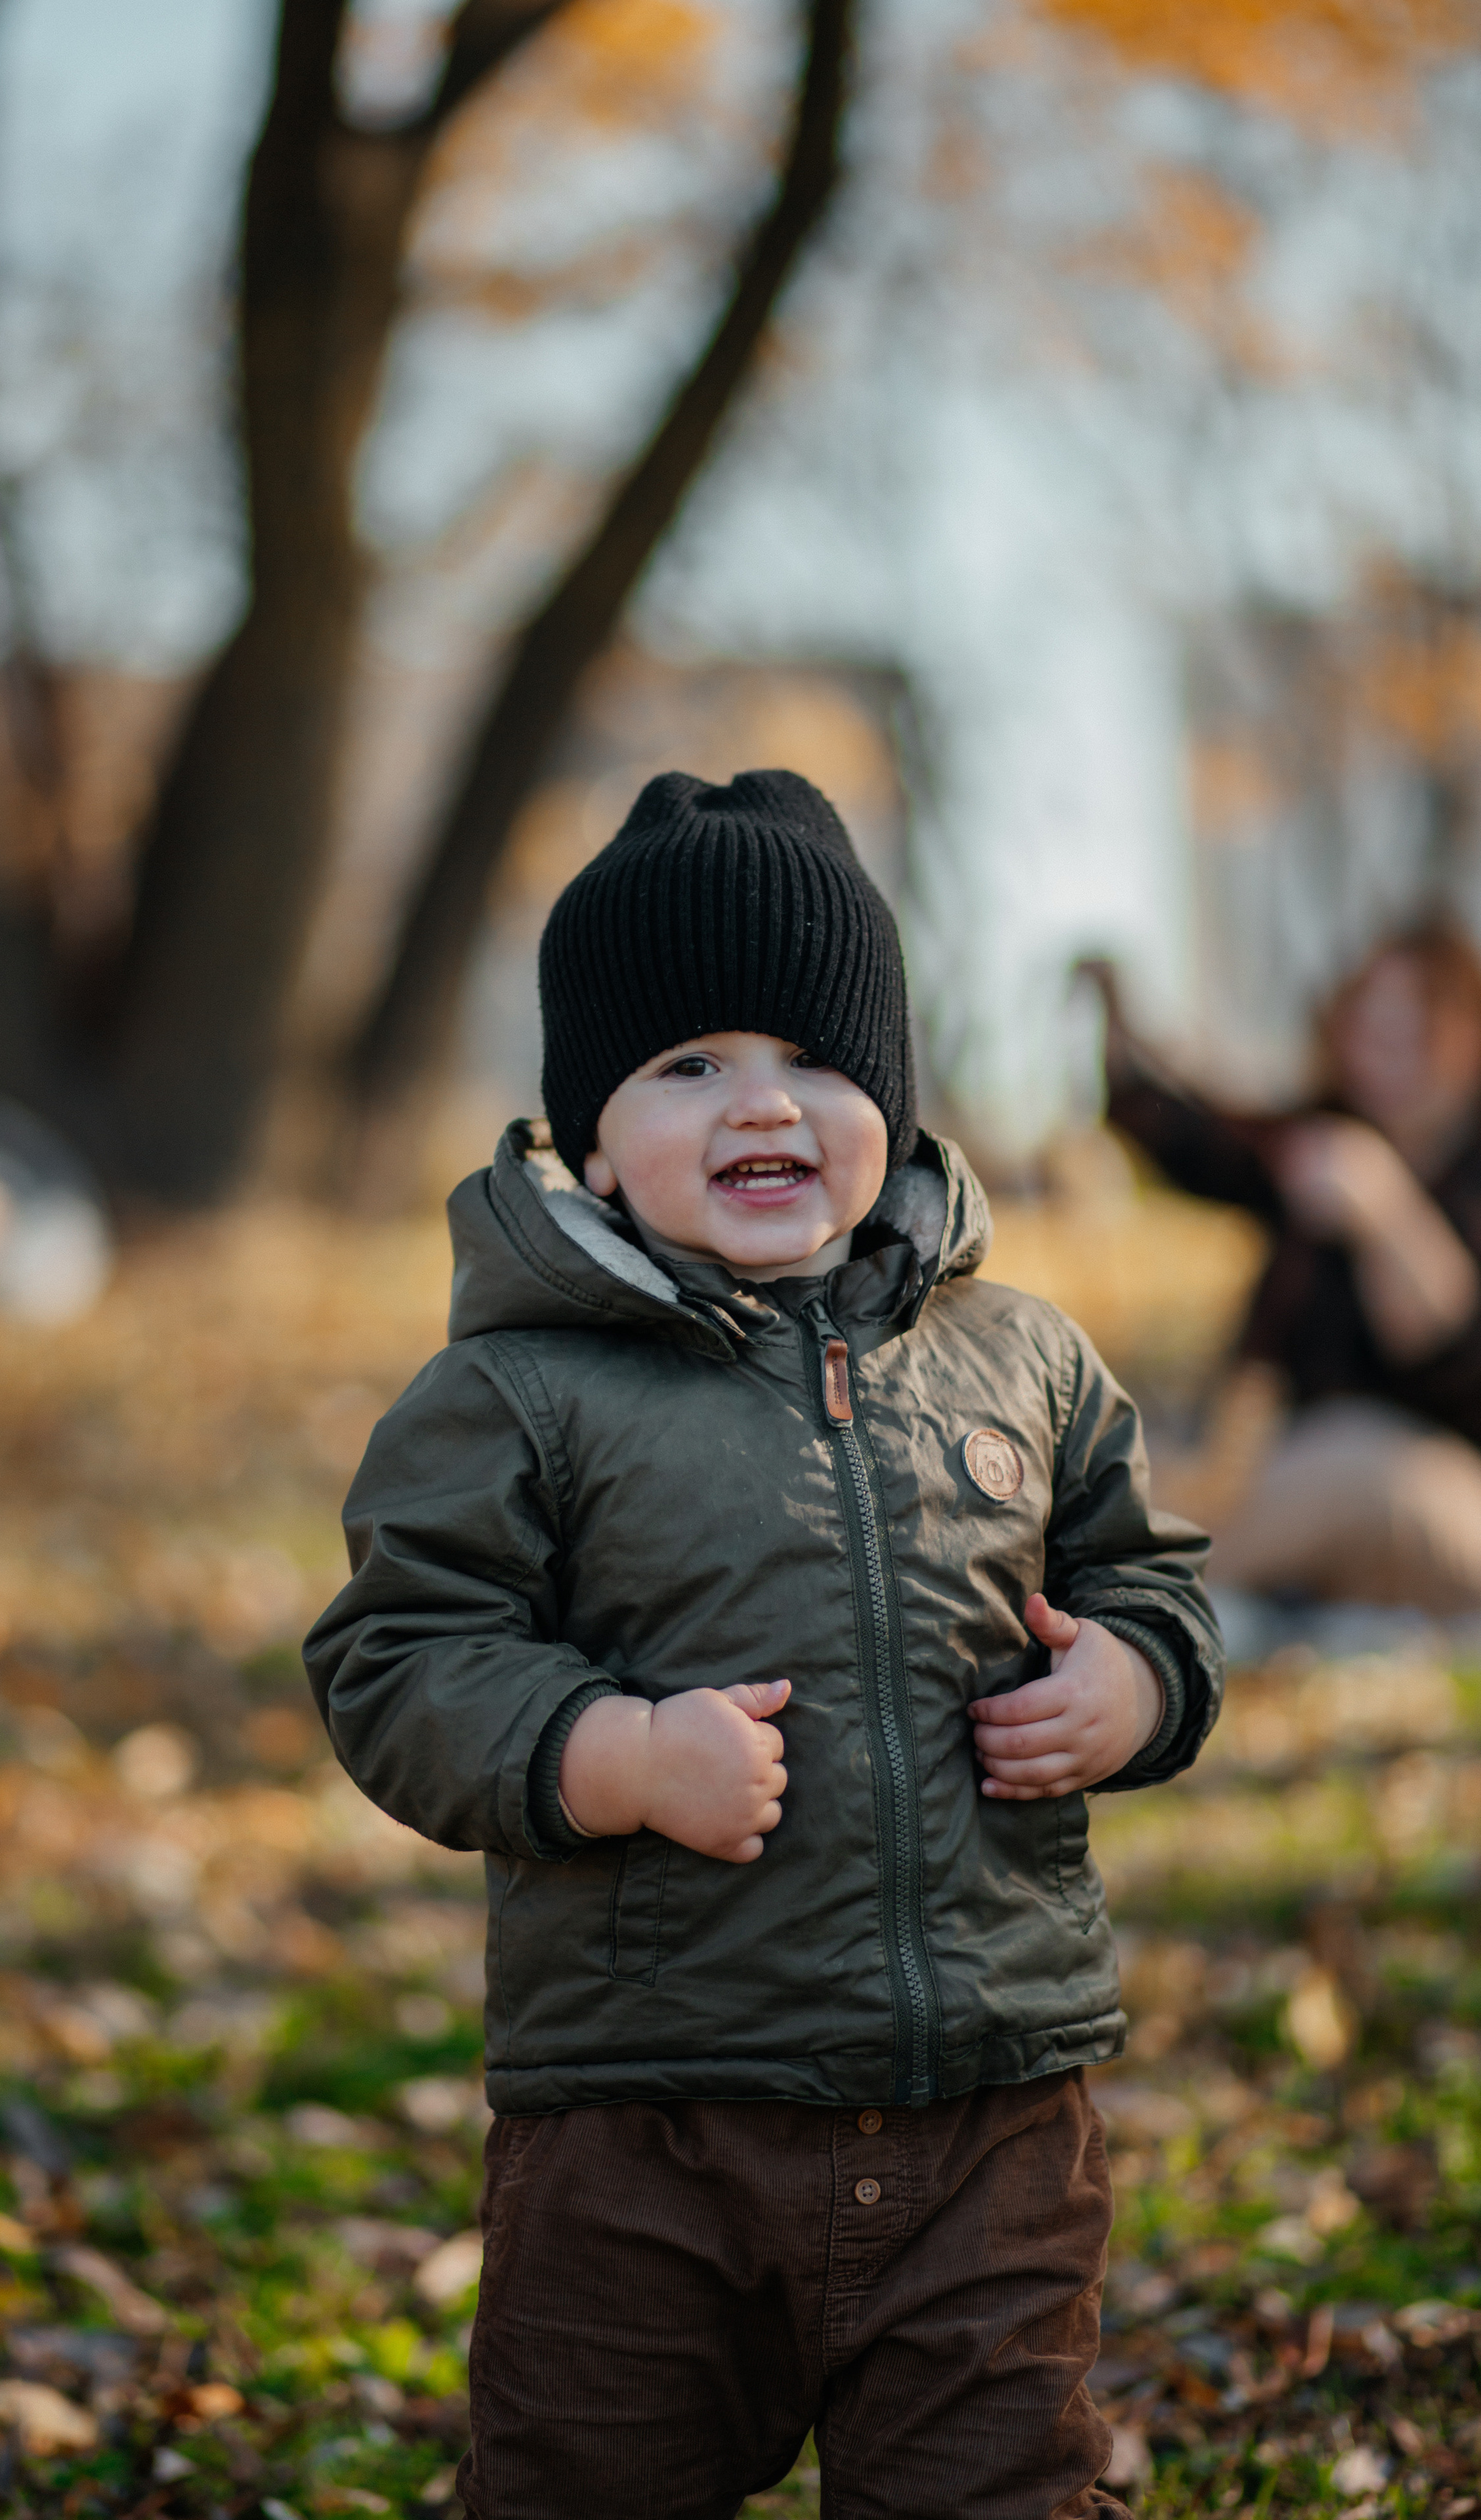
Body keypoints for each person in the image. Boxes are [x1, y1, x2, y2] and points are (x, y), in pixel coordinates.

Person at [306, 770, 1224, 2520]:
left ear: (887, 1092)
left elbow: (1147, 1574)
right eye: (687, 1067)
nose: (764, 1106)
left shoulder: (1017, 1357)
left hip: (987, 2108)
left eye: (813, 1058)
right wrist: (610, 1755)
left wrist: (1132, 1681)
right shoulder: (520, 1390)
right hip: (642, 2130)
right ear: (587, 1135)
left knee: (1000, 2490)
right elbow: (398, 1656)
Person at [1102, 925, 1481, 1612]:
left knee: (1361, 1466)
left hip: (1446, 1493)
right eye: (1369, 1022)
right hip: (1290, 1462)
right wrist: (1118, 1036)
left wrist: (1386, 1214)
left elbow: (1446, 1345)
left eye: (1409, 1025)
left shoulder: (1431, 1167)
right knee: (1128, 1449)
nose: (1381, 1048)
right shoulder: (1335, 1130)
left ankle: (1134, 1590)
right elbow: (1204, 1142)